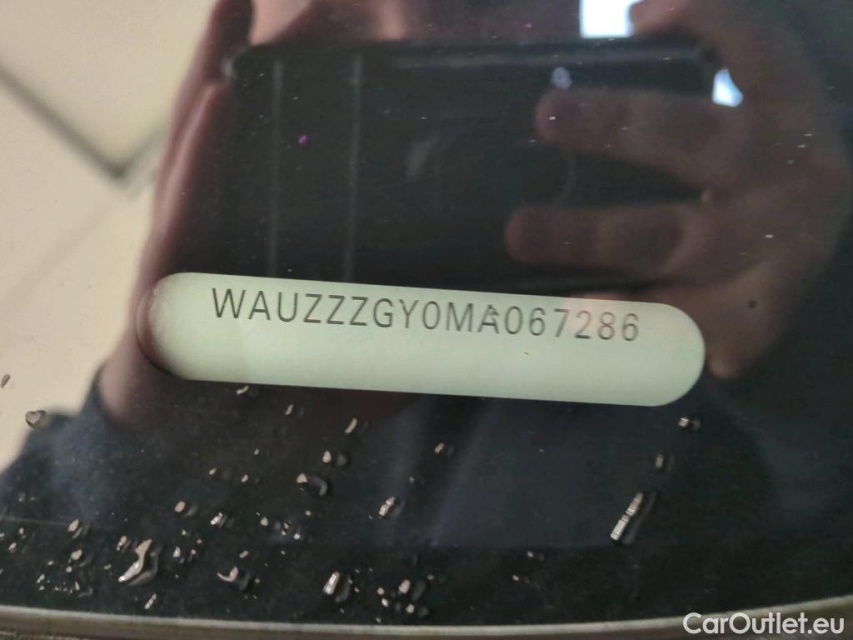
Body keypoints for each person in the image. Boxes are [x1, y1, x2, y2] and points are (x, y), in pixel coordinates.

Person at [1, 0, 853, 627]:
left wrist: (809, 334)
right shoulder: (215, 395)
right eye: (339, 18)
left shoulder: (738, 279)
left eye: (478, 1)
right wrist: (146, 448)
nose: (406, 32)